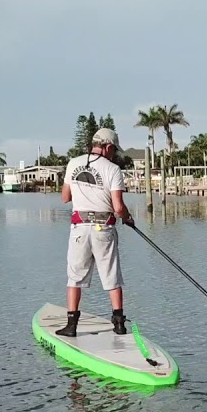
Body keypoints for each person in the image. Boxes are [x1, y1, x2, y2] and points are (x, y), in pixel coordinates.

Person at [57, 127, 135, 337]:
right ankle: (119, 324)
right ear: (107, 147)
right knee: (112, 276)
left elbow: (65, 197)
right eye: (114, 150)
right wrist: (127, 217)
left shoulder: (73, 163)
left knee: (74, 278)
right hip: (104, 229)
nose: (114, 154)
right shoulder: (113, 169)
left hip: (80, 229)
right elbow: (118, 207)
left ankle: (71, 326)